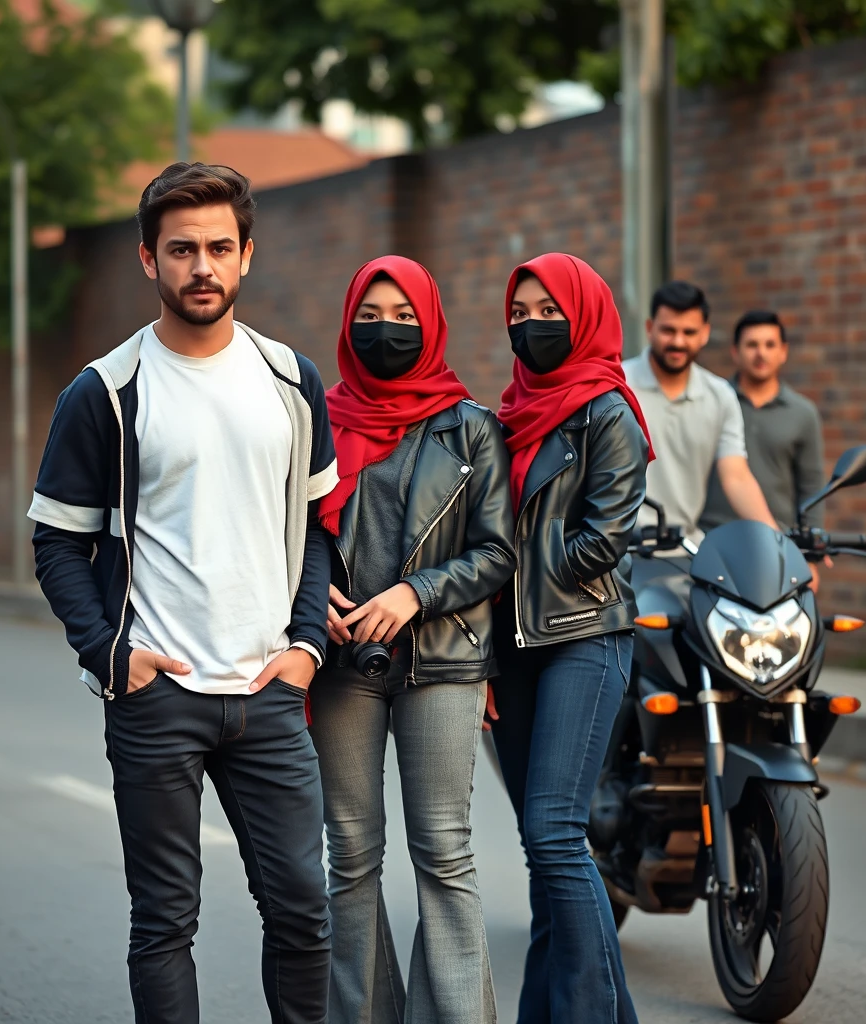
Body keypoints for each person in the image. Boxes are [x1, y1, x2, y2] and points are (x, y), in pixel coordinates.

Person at [28, 163, 337, 1024]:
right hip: (157, 695)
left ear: (246, 257)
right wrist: (110, 653)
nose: (201, 266)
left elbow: (315, 526)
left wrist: (307, 645)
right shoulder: (106, 391)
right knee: (165, 923)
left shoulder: (291, 381)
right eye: (181, 250)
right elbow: (57, 539)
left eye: (218, 249)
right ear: (147, 260)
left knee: (305, 914)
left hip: (269, 694)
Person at [311, 255, 516, 1024]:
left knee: (444, 853)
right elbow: (290, 534)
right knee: (352, 859)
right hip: (341, 662)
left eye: (403, 319)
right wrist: (310, 605)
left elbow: (497, 551)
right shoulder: (317, 422)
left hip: (444, 660)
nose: (386, 332)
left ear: (429, 325)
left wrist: (413, 593)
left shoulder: (470, 428)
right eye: (370, 317)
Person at [490, 253, 653, 1024]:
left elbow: (603, 540)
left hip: (585, 634)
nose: (530, 324)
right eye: (519, 311)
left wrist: (508, 566)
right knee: (540, 845)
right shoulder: (511, 410)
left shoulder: (607, 411)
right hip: (516, 646)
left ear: (582, 313)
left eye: (547, 310)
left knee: (555, 831)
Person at [622, 281, 778, 545]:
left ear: (705, 333)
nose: (678, 341)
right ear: (650, 329)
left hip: (685, 550)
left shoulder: (720, 396)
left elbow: (736, 476)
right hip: (620, 553)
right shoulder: (618, 385)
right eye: (668, 331)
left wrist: (777, 541)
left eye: (689, 331)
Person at [700, 309, 825, 534]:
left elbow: (811, 487)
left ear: (783, 352)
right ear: (735, 352)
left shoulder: (802, 412)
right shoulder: (712, 401)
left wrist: (811, 551)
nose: (761, 354)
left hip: (775, 537)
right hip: (709, 536)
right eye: (752, 345)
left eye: (769, 345)